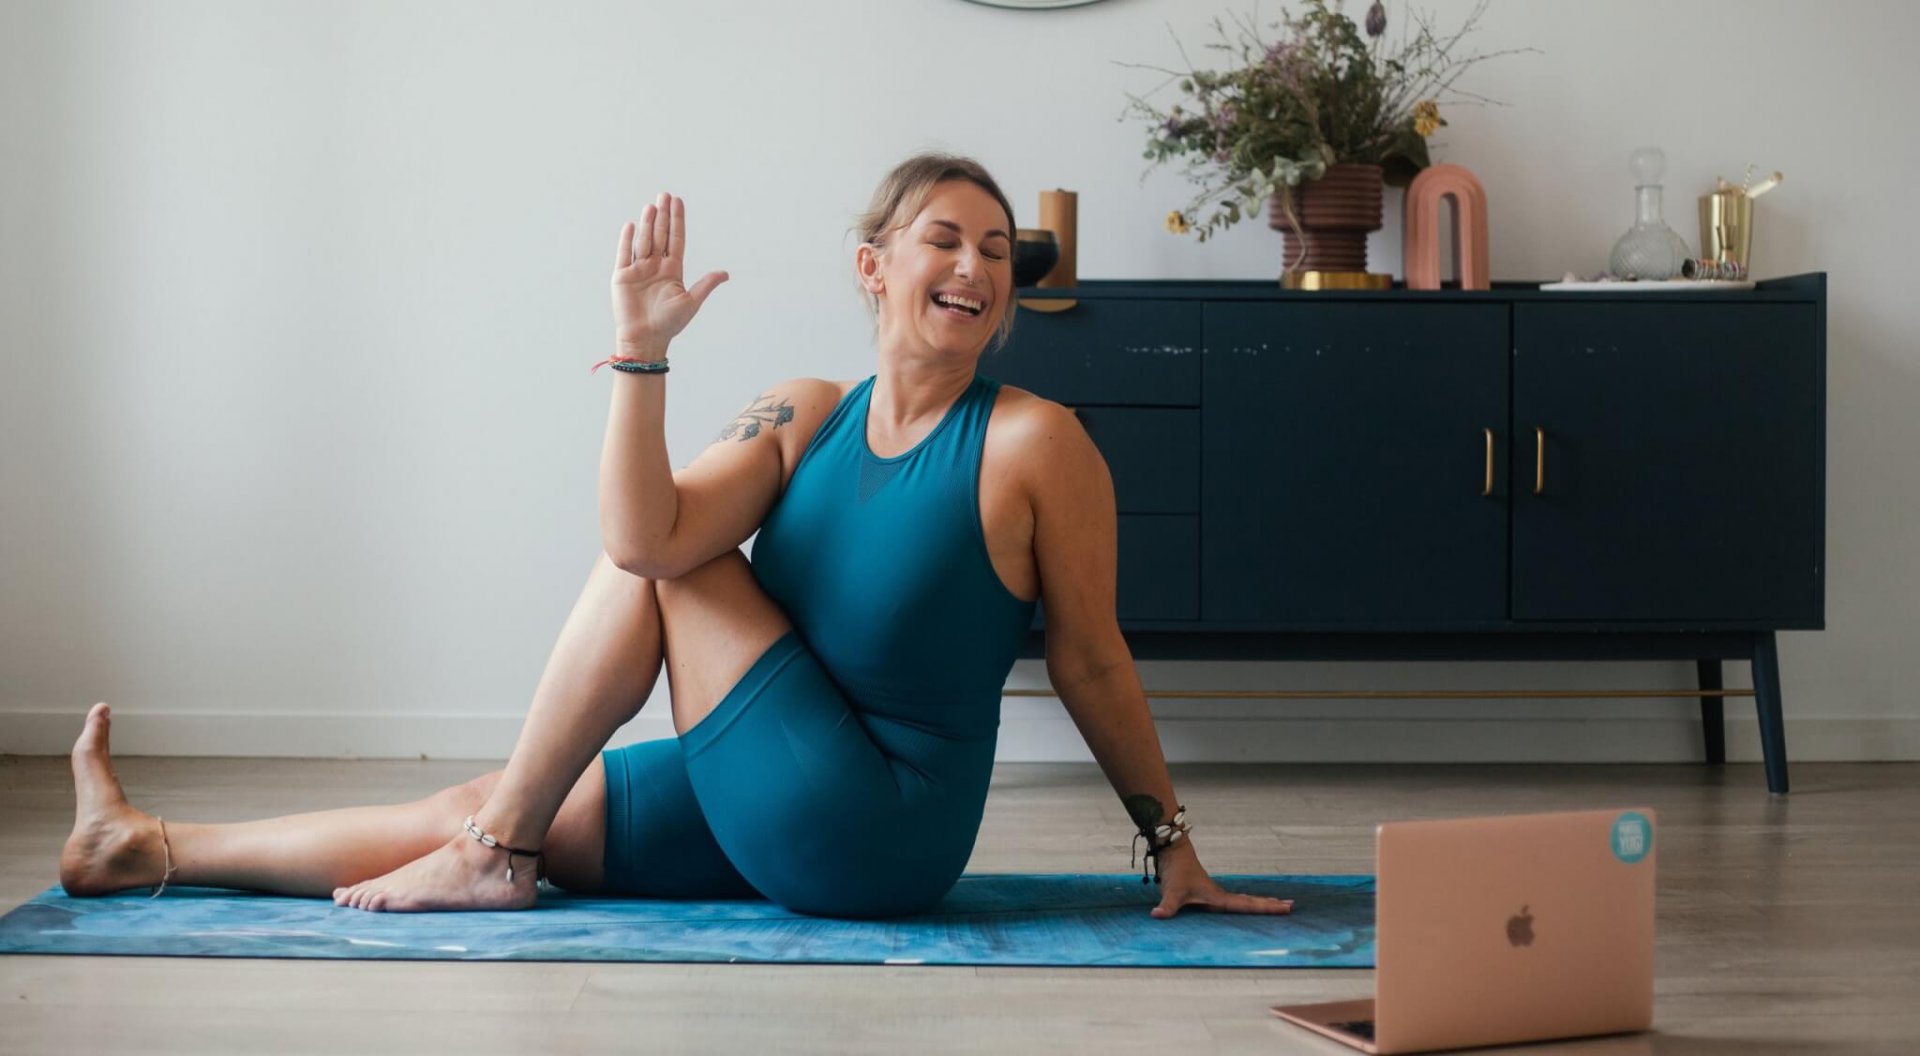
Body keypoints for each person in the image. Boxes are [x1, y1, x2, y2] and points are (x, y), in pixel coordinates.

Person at [59, 152, 1295, 921]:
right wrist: (641, 355)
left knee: (641, 606)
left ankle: (497, 856)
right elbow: (642, 527)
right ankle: (144, 847)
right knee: (490, 796)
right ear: (873, 267)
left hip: (882, 825)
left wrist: (1170, 845)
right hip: (770, 774)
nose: (976, 264)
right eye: (944, 238)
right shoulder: (804, 414)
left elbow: (1090, 657)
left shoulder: (1033, 442)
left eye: (994, 250)